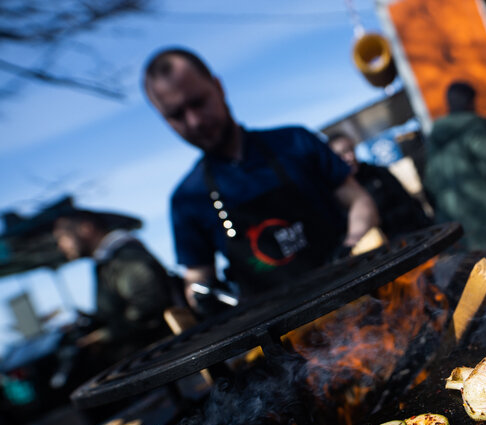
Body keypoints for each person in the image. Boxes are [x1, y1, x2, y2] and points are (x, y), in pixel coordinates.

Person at [142, 48, 379, 310]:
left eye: (198, 102)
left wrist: (352, 245)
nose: (194, 121)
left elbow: (359, 200)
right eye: (177, 115)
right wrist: (201, 297)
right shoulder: (187, 199)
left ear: (218, 87)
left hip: (357, 299)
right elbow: (197, 277)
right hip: (281, 334)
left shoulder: (295, 142)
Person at [51, 209, 176, 370]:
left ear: (85, 228)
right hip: (150, 361)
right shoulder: (105, 262)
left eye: (62, 238)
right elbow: (117, 309)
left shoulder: (125, 256)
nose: (60, 246)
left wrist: (104, 335)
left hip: (164, 360)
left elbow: (148, 307)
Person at [423, 81, 486, 250]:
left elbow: (430, 184)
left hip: (461, 230)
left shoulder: (435, 141)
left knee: (483, 272)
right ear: (471, 102)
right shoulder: (474, 128)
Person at [327, 132, 432, 239]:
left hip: (406, 236)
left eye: (350, 150)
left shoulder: (378, 173)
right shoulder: (337, 191)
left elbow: (407, 202)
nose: (349, 157)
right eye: (341, 154)